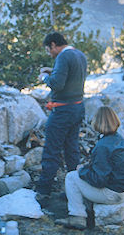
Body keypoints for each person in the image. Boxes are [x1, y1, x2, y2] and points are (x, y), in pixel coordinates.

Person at [55, 106, 124, 230]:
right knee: (81, 173)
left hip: (112, 194)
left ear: (97, 122)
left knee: (71, 177)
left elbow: (99, 180)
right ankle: (84, 203)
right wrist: (87, 168)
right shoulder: (119, 139)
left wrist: (82, 171)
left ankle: (77, 216)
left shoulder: (102, 146)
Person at [36, 32, 87, 196]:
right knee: (72, 149)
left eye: (48, 50)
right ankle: (76, 188)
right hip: (77, 108)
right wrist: (53, 70)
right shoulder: (79, 54)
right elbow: (71, 75)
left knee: (52, 150)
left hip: (62, 111)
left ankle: (43, 190)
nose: (49, 54)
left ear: (53, 44)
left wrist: (44, 77)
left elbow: (57, 84)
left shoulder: (63, 57)